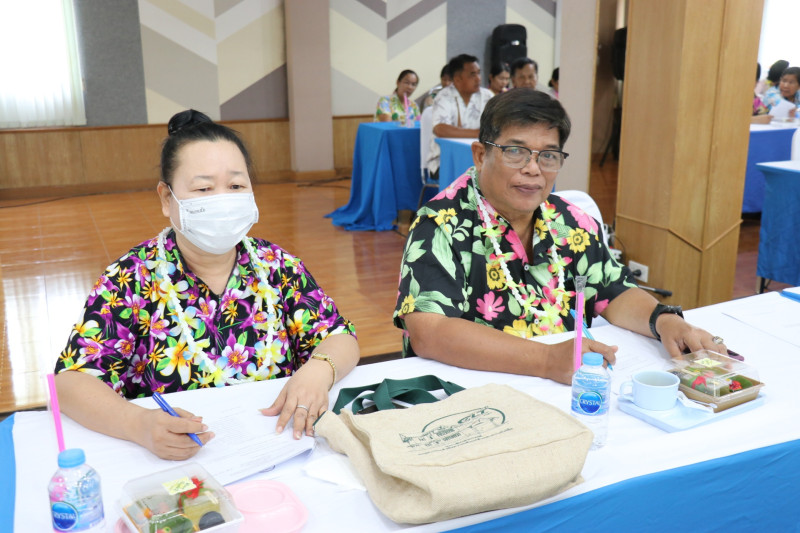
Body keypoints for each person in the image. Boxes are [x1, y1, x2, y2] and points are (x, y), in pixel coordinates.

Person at [54, 110, 360, 460]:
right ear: (167, 199)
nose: (222, 200)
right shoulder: (131, 279)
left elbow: (340, 336)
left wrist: (320, 369)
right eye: (203, 188)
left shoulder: (277, 265)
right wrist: (137, 423)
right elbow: (72, 381)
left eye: (236, 186)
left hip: (281, 450)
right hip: (180, 462)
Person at [394, 89, 727, 385]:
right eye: (515, 151)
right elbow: (430, 331)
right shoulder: (441, 224)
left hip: (565, 386)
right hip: (475, 390)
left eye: (548, 156)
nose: (533, 168)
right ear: (481, 155)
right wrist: (546, 361)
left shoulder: (570, 222)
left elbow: (614, 290)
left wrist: (664, 321)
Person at [427, 54, 495, 179]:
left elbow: (497, 125)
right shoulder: (443, 97)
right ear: (457, 79)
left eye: (479, 73)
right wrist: (477, 133)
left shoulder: (487, 96)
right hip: (444, 161)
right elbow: (440, 129)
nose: (478, 78)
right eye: (472, 74)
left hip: (481, 159)